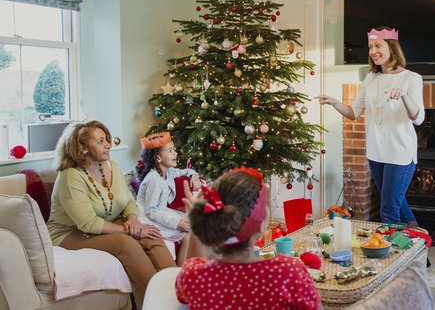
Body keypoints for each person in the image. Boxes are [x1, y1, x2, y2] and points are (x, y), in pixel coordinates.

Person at [47, 120, 176, 306]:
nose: (108, 144)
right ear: (82, 147)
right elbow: (89, 223)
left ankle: (181, 293)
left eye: (106, 139)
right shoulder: (70, 176)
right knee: (126, 243)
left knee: (152, 235)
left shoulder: (111, 165)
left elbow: (128, 202)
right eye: (100, 141)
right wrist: (131, 231)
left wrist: (134, 220)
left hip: (109, 222)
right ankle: (164, 303)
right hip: (68, 233)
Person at [316, 26, 425, 225]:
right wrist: (335, 102)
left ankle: (388, 255)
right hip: (376, 153)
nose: (373, 51)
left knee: (388, 212)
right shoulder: (371, 78)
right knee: (398, 205)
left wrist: (403, 96)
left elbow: (418, 118)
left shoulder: (411, 78)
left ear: (392, 47)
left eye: (378, 45)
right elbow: (353, 113)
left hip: (400, 154)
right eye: (370, 47)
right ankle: (419, 249)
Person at [175, 166, 321, 309]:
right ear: (260, 227)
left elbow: (185, 290)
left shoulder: (194, 277)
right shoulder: (289, 274)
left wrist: (196, 227)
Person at [135, 131, 202, 266]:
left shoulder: (169, 171)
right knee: (187, 234)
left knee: (193, 225)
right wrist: (176, 223)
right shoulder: (154, 179)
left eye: (174, 149)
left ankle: (191, 265)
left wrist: (194, 176)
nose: (175, 153)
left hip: (160, 211)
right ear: (158, 158)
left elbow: (186, 171)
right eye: (170, 151)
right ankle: (179, 270)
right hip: (147, 217)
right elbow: (150, 211)